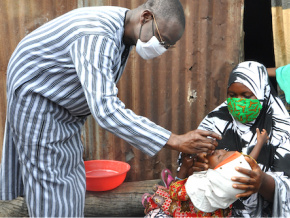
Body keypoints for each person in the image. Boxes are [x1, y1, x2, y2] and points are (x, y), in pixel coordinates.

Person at [0, 0, 222, 217]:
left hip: (61, 104)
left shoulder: (122, 32)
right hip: (38, 96)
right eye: (161, 40)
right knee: (50, 183)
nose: (161, 50)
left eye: (167, 46)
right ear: (146, 17)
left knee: (72, 180)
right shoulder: (98, 36)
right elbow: (106, 110)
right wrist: (174, 139)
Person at [184, 61, 290, 217]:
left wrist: (262, 182)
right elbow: (187, 164)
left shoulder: (282, 129)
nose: (238, 102)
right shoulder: (216, 121)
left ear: (263, 93)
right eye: (232, 95)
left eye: (247, 96)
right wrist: (199, 165)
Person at [142, 128, 269, 217]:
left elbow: (174, 192)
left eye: (220, 156)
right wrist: (260, 143)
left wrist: (185, 168)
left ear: (217, 174)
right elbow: (247, 163)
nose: (219, 151)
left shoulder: (196, 188)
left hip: (180, 210)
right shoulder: (229, 187)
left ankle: (150, 202)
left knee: (163, 197)